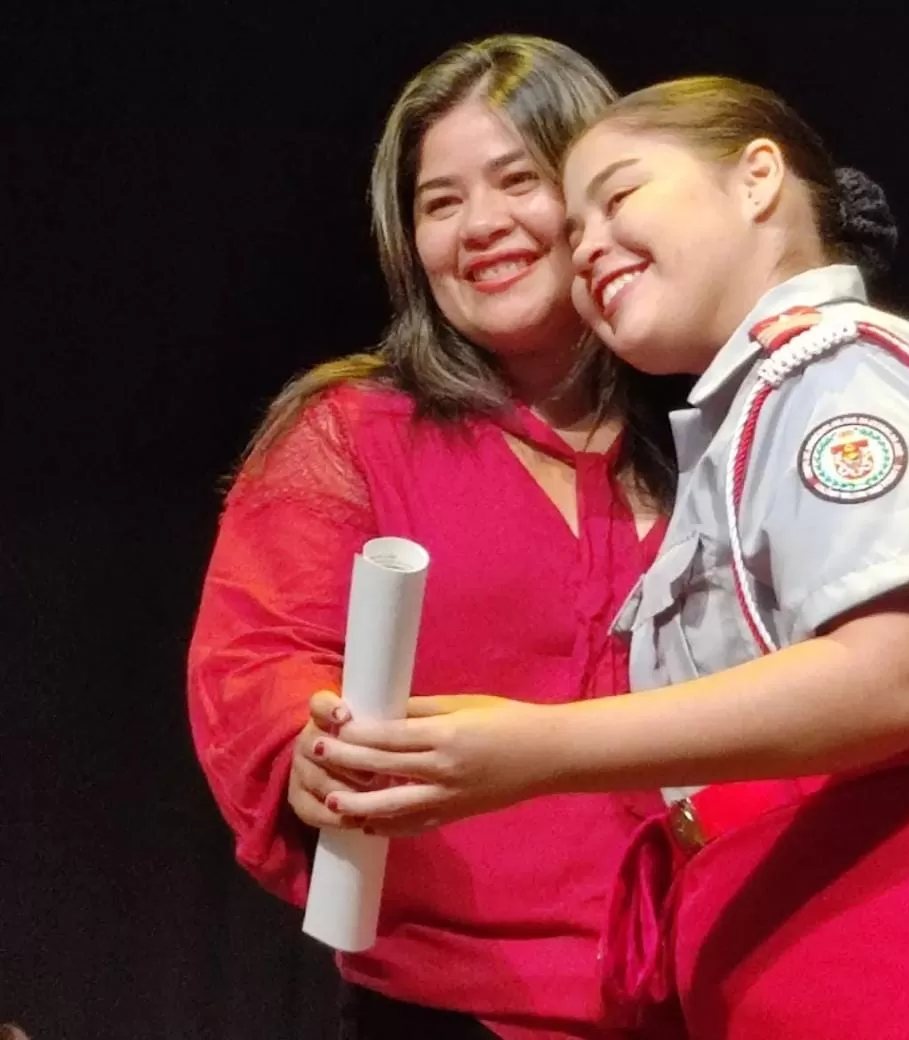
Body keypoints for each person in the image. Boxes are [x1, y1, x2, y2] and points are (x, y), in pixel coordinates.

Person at [311, 75, 909, 1037]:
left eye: (618, 196)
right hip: (830, 954)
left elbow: (896, 675)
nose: (585, 246)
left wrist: (533, 749)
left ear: (757, 177)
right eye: (577, 225)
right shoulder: (746, 423)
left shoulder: (838, 366)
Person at [187, 36, 690, 1040]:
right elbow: (258, 658)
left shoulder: (714, 430)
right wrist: (308, 745)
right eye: (440, 201)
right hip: (442, 1008)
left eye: (519, 179)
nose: (482, 224)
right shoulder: (353, 430)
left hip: (711, 996)